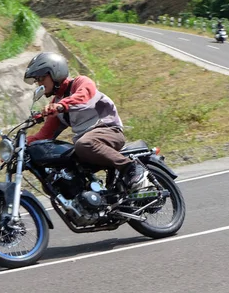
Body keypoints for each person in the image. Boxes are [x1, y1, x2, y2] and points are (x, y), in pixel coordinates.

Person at [23, 51, 147, 190]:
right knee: (57, 171)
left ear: (55, 73)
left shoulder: (80, 83)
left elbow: (84, 96)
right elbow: (45, 135)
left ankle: (130, 167)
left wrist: (60, 106)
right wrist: (21, 146)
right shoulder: (57, 103)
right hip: (87, 145)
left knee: (84, 144)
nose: (39, 84)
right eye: (36, 81)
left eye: (40, 79)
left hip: (109, 131)